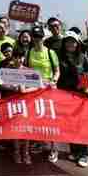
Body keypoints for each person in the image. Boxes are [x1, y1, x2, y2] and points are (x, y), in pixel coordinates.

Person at [57, 31, 88, 168]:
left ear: (77, 43)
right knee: (69, 125)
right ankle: (74, 150)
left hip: (80, 95)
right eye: (67, 41)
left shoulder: (82, 58)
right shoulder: (59, 58)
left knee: (81, 124)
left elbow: (87, 75)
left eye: (73, 41)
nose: (70, 44)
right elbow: (57, 75)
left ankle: (84, 153)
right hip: (65, 95)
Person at [0, 48, 37, 165]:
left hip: (26, 104)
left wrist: (26, 90)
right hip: (12, 104)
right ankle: (16, 152)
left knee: (26, 129)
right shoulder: (7, 70)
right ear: (12, 58)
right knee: (14, 128)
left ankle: (26, 153)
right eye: (16, 57)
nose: (19, 60)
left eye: (21, 57)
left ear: (24, 58)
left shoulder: (28, 71)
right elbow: (1, 84)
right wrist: (13, 88)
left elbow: (38, 86)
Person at [27, 25, 60, 163]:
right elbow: (26, 70)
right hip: (34, 90)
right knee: (36, 117)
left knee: (51, 119)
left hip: (48, 89)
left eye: (39, 37)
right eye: (34, 37)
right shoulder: (29, 53)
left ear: (43, 38)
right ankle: (40, 143)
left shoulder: (50, 53)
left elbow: (57, 71)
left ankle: (53, 148)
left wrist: (53, 80)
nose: (37, 40)